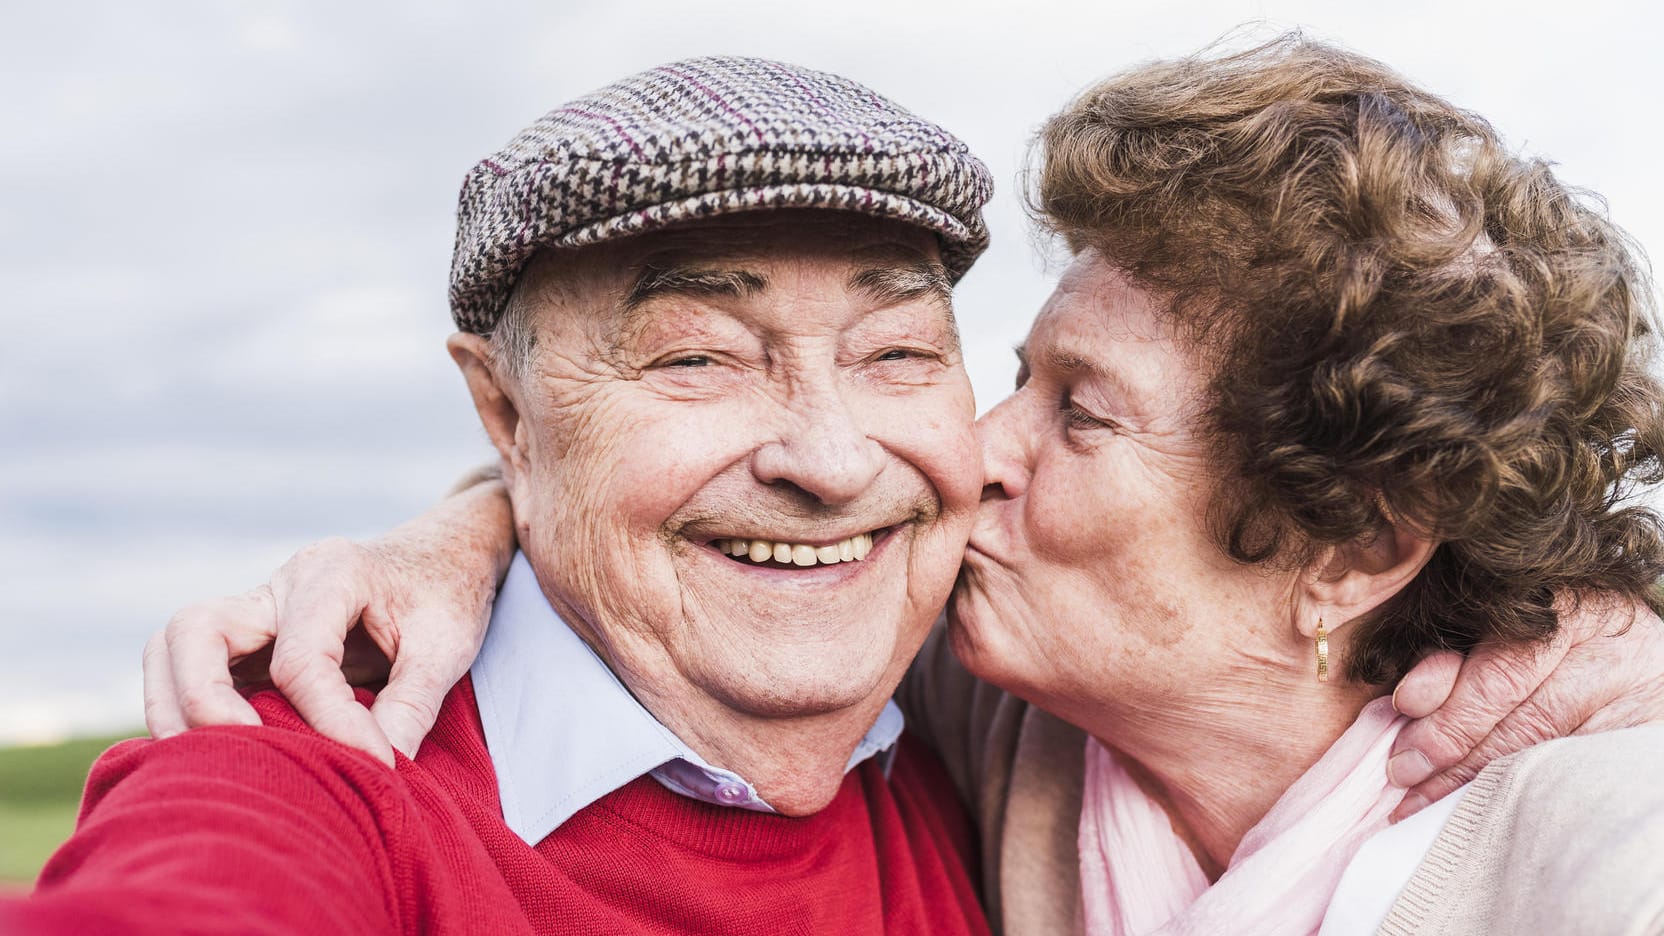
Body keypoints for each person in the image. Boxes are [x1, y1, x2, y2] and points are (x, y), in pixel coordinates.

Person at [140, 36, 1664, 935]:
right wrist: (470, 526)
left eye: (1080, 416)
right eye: (1014, 373)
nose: (954, 456)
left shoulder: (1599, 847)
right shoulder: (986, 715)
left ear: (1354, 546)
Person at [3, 57, 1001, 934]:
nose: (830, 461)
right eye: (695, 357)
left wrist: (465, 528)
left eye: (897, 352)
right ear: (507, 416)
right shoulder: (316, 778)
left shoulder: (991, 724)